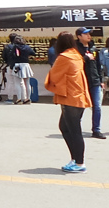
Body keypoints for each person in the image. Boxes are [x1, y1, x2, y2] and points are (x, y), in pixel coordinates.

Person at [45, 32, 91, 173]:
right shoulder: (77, 55)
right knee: (66, 127)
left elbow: (53, 75)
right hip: (79, 96)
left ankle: (79, 162)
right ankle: (75, 159)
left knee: (74, 130)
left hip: (70, 97)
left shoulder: (63, 57)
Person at [75, 27, 105, 139]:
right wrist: (85, 58)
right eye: (85, 34)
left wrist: (101, 80)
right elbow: (75, 64)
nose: (88, 36)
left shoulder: (93, 48)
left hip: (95, 81)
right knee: (80, 106)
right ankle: (76, 128)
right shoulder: (75, 49)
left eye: (89, 34)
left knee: (97, 106)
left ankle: (96, 130)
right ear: (79, 36)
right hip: (82, 81)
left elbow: (98, 65)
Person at [10, 35, 36, 105]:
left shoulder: (15, 47)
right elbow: (33, 53)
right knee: (27, 83)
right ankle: (28, 98)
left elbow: (12, 55)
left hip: (17, 65)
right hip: (26, 65)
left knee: (18, 83)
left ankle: (19, 99)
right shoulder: (27, 47)